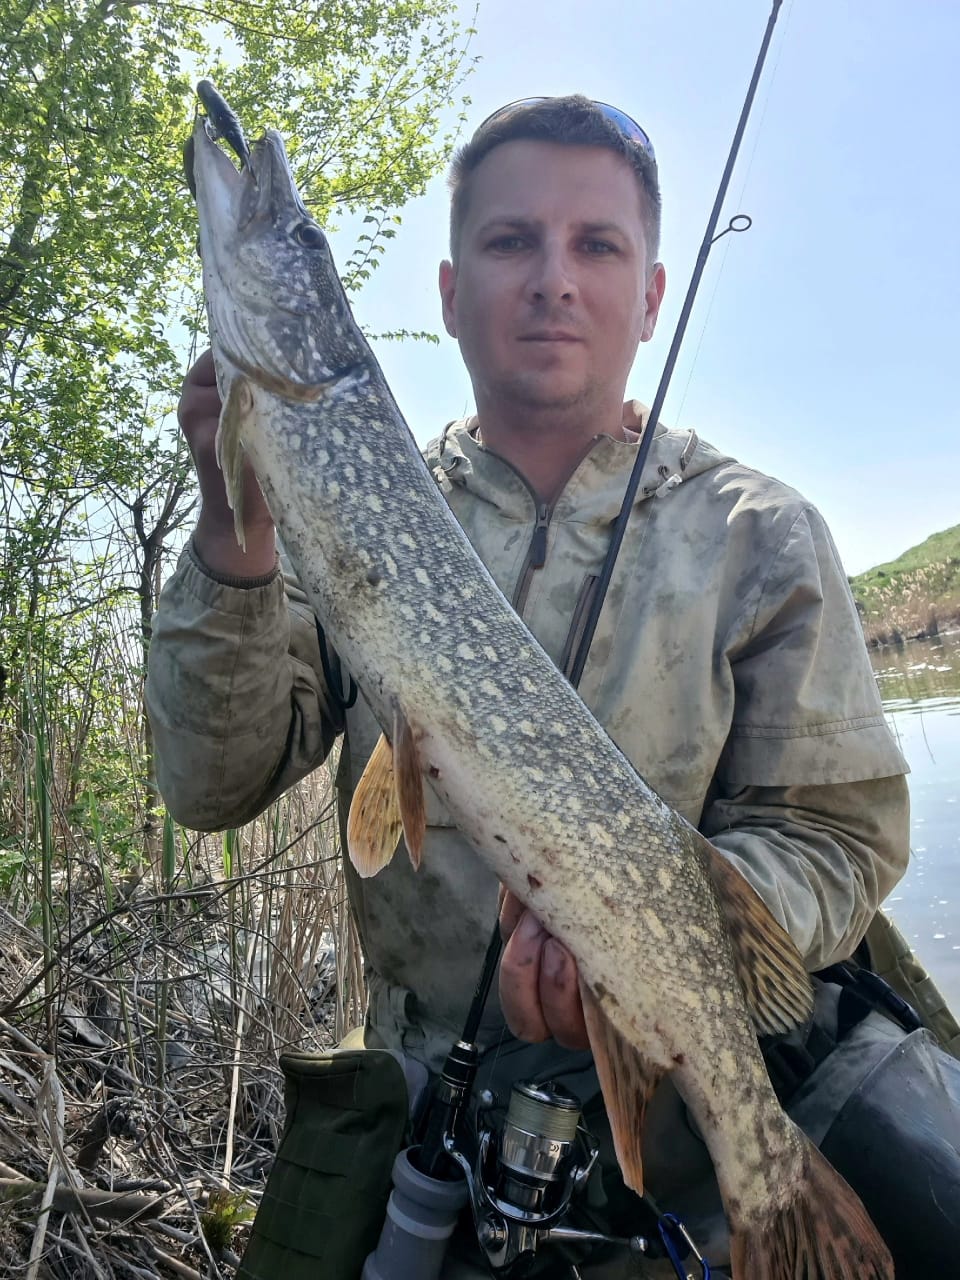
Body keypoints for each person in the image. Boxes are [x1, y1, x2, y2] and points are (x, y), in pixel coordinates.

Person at [146, 97, 911, 1276]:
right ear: (450, 294)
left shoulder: (759, 534)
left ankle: (774, 1190)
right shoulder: (348, 500)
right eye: (512, 241)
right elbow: (208, 786)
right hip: (422, 1128)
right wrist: (234, 523)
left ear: (651, 296)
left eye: (596, 244)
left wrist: (645, 942)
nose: (553, 278)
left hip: (670, 1162)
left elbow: (836, 834)